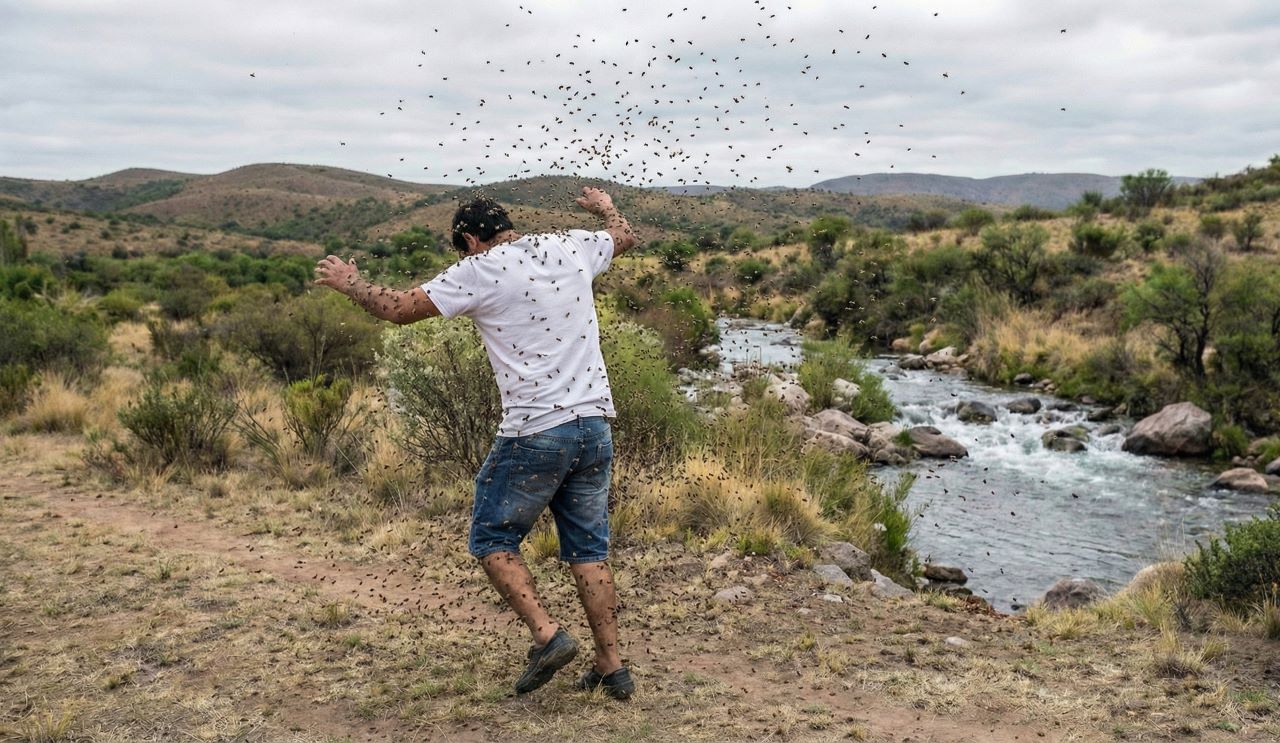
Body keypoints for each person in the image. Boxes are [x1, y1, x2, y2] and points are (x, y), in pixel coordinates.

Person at [313, 187, 638, 700]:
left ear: (468, 239)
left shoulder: (478, 270)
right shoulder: (570, 246)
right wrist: (604, 209)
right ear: (507, 225)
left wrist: (351, 283)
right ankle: (612, 667)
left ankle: (548, 635)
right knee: (589, 550)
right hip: (595, 424)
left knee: (492, 538)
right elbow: (624, 237)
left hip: (534, 429)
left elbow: (399, 309)